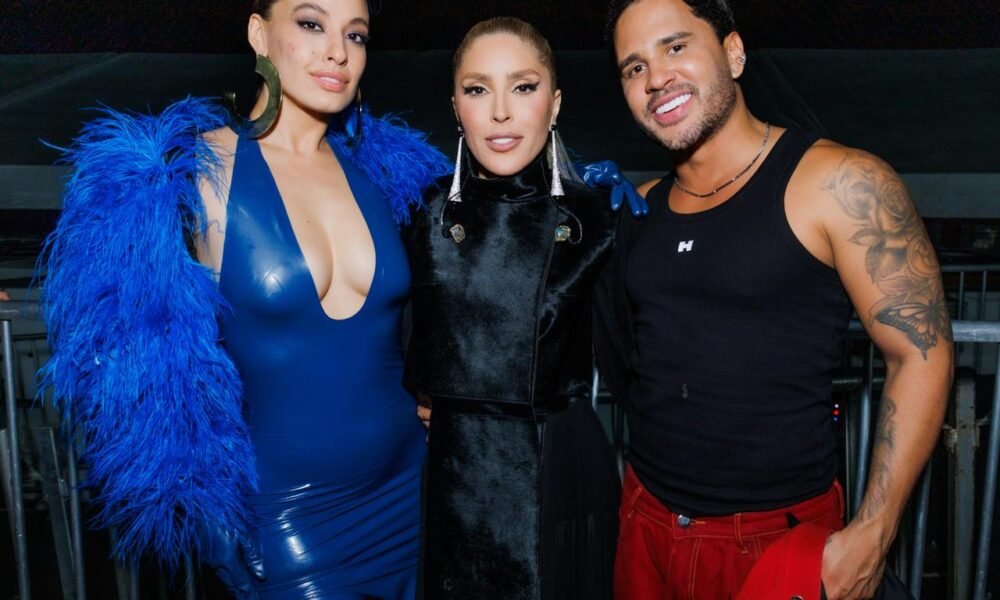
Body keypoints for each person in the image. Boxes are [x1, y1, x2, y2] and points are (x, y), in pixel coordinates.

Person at [39, 0, 449, 598]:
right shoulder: (187, 177)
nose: (337, 51)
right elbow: (126, 365)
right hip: (285, 514)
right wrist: (197, 495)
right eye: (311, 24)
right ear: (259, 33)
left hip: (413, 488)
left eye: (356, 35)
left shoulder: (391, 178)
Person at [596, 0, 954, 598]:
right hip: (645, 524)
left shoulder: (840, 181)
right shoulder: (639, 208)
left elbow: (921, 353)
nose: (656, 78)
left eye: (676, 46)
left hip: (775, 541)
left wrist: (874, 531)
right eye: (634, 68)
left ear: (734, 53)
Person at [403, 17, 630, 600]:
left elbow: (647, 368)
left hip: (559, 476)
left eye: (523, 87)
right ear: (456, 108)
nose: (501, 112)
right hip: (451, 479)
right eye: (478, 89)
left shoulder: (600, 219)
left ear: (555, 104)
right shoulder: (419, 218)